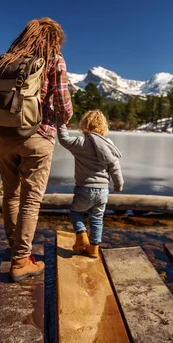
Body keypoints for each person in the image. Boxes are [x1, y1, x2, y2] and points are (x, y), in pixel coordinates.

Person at [0, 18, 73, 282]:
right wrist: (63, 118)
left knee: (10, 195)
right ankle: (21, 261)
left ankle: (17, 252)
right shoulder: (54, 60)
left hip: (2, 137)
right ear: (55, 39)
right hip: (37, 137)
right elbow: (64, 107)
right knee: (31, 200)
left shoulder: (6, 59)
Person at [57, 110, 123, 257]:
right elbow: (115, 167)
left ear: (83, 126)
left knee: (75, 212)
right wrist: (118, 185)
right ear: (104, 127)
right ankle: (94, 249)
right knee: (97, 218)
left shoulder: (80, 143)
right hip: (103, 191)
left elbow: (63, 138)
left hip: (84, 189)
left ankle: (81, 237)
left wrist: (60, 120)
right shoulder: (109, 145)